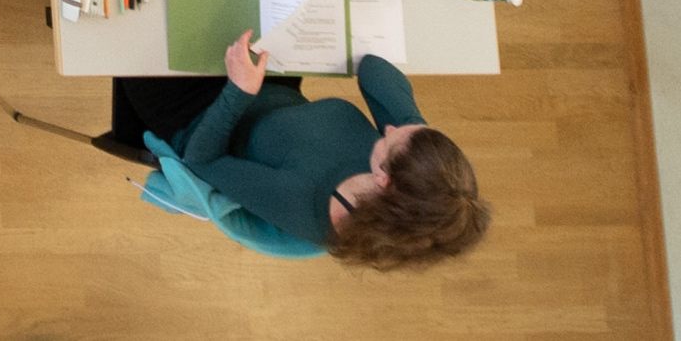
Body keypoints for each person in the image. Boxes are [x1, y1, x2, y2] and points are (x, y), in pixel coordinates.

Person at [110, 36, 489, 267]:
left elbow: (202, 160)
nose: (387, 127)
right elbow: (373, 67)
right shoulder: (401, 171)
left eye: (389, 139)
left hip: (196, 111)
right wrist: (410, 126)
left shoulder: (306, 209)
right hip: (271, 84)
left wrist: (239, 91)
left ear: (383, 180)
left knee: (137, 22)